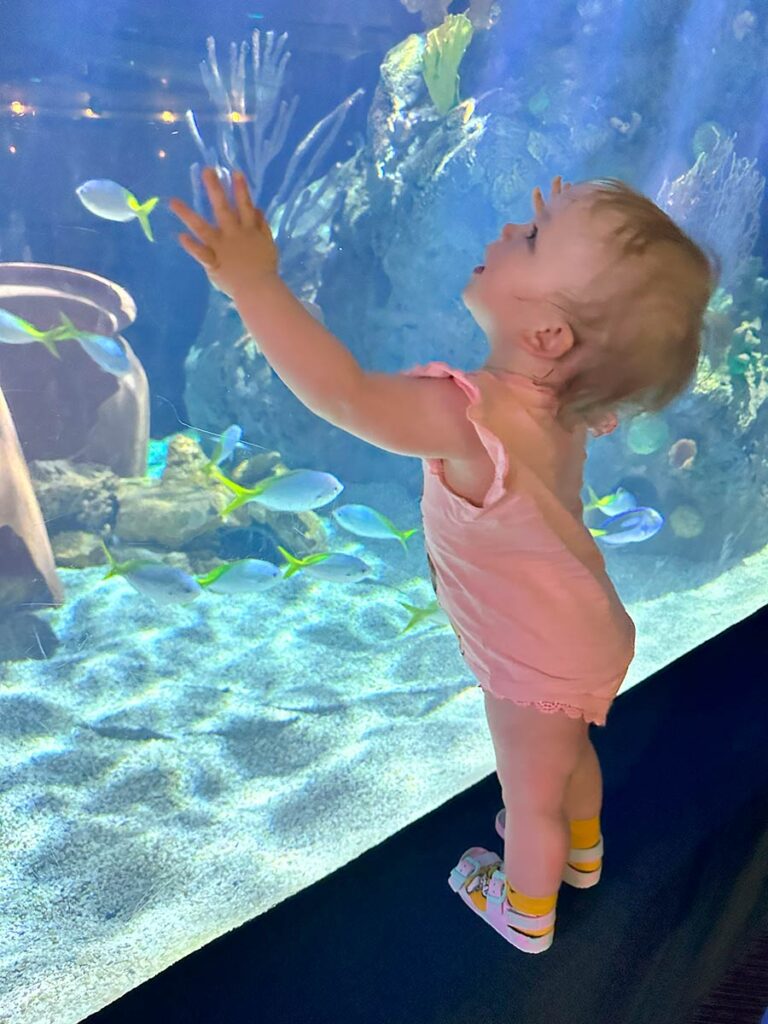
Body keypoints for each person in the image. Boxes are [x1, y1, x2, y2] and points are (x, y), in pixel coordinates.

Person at [170, 168, 717, 954]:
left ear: (549, 337)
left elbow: (347, 394)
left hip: (534, 654)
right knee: (565, 752)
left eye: (530, 237)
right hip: (582, 634)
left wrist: (256, 286)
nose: (504, 231)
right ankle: (584, 853)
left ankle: (524, 908)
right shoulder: (567, 406)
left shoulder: (468, 418)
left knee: (526, 789)